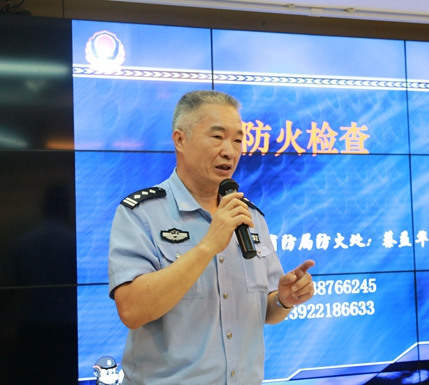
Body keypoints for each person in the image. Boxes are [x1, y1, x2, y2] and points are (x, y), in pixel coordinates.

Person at [108, 90, 315, 385]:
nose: (230, 151)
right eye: (217, 137)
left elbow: (267, 312)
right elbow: (132, 310)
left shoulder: (251, 217)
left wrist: (284, 299)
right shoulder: (141, 213)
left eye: (238, 140)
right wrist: (207, 246)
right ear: (180, 140)